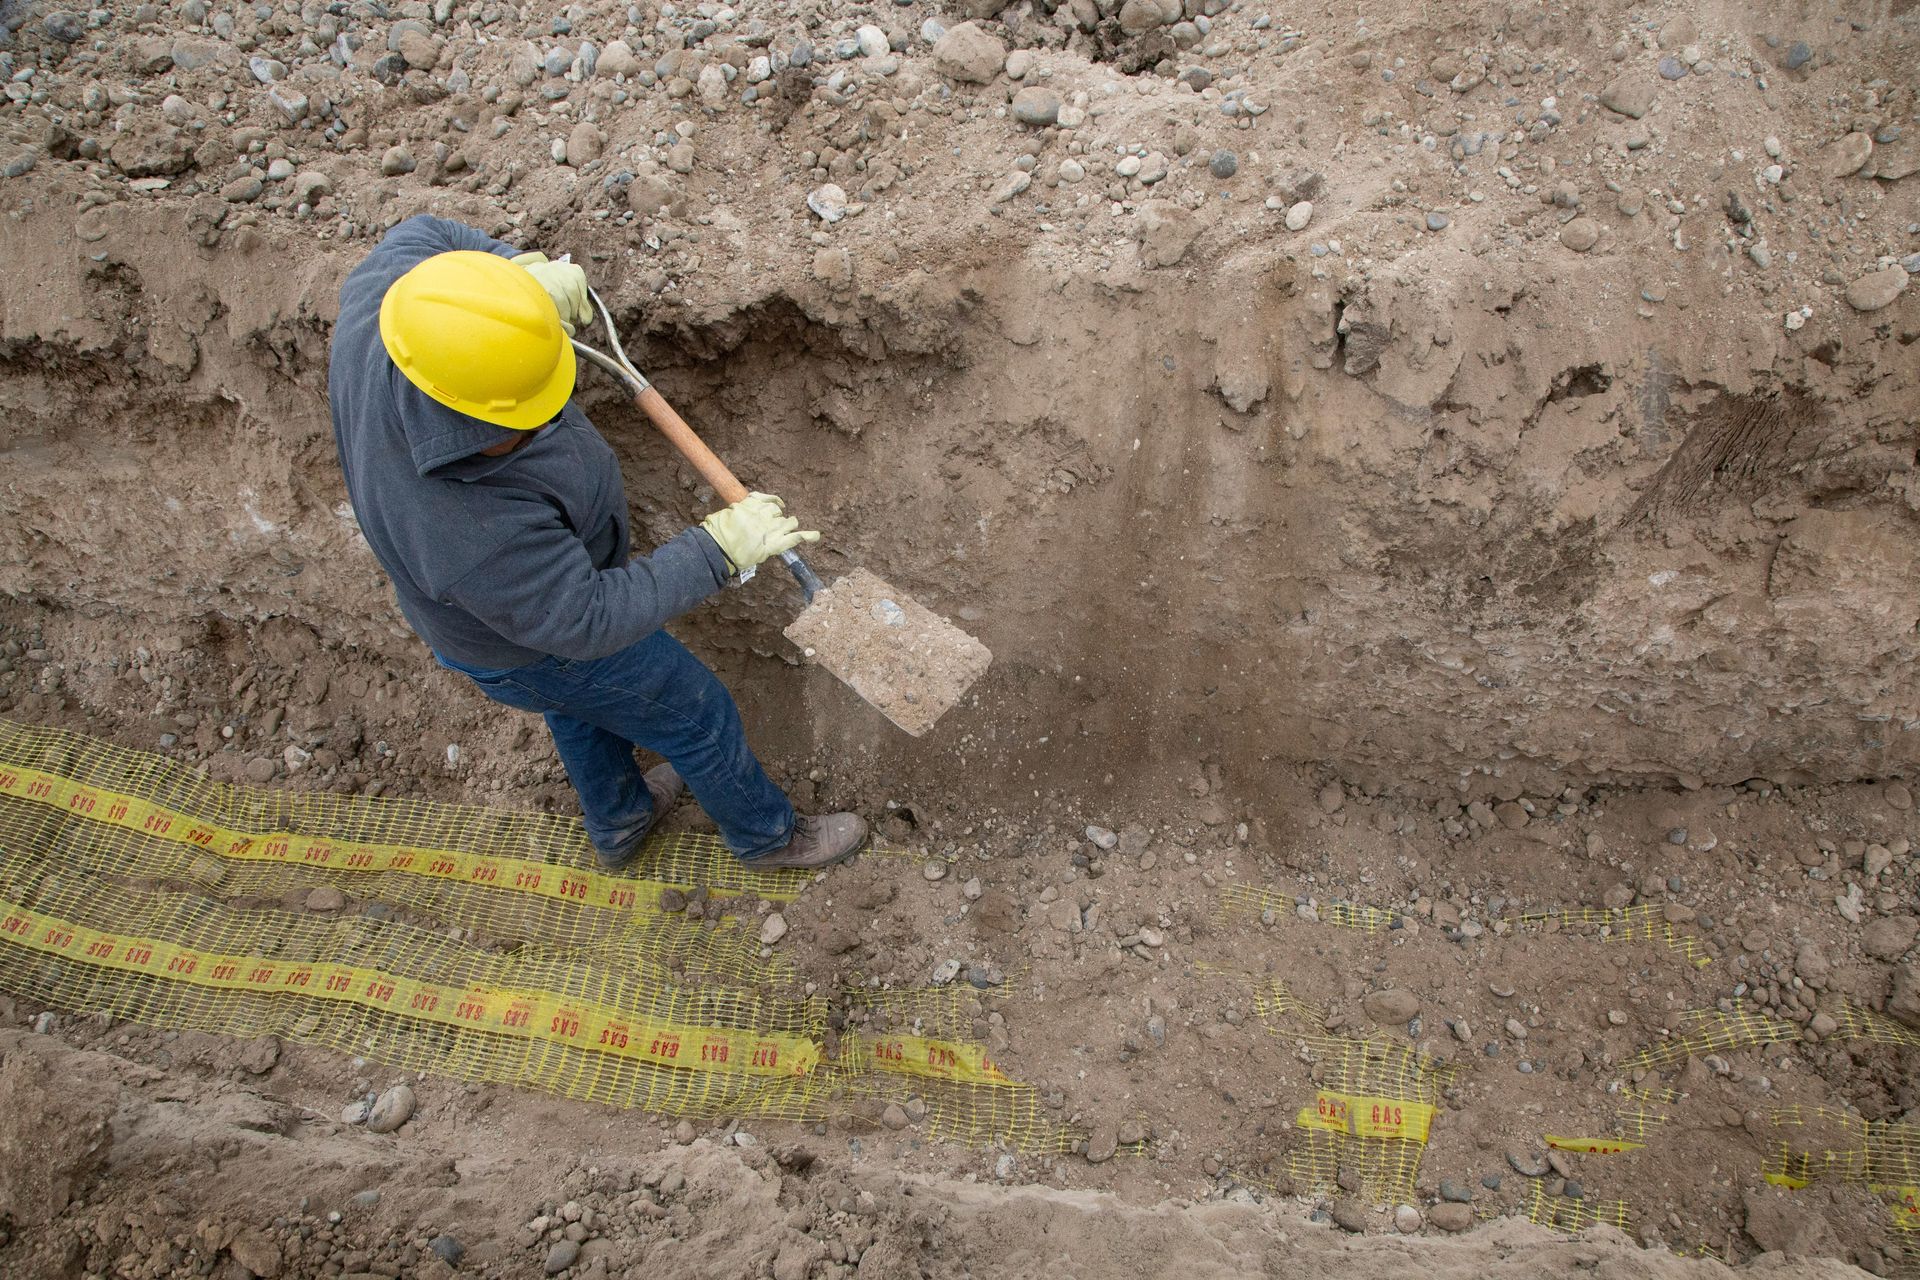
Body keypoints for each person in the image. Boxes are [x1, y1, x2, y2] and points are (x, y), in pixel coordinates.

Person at [327, 215, 868, 871]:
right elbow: (585, 620)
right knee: (693, 711)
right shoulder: (461, 524)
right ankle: (767, 837)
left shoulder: (395, 304)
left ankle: (621, 817)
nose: (553, 412)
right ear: (470, 413)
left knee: (582, 705)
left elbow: (423, 231)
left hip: (529, 617)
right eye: (527, 418)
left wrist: (516, 277)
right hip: (526, 643)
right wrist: (717, 551)